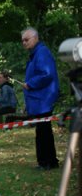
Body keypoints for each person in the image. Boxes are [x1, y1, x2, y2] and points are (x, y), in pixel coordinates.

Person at [21, 27, 60, 170]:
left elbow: (46, 74)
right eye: (23, 41)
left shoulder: (42, 52)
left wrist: (30, 84)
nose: (24, 43)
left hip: (44, 98)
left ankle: (48, 162)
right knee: (41, 130)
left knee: (44, 131)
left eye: (27, 39)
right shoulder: (34, 54)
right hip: (39, 98)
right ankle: (45, 161)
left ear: (35, 38)